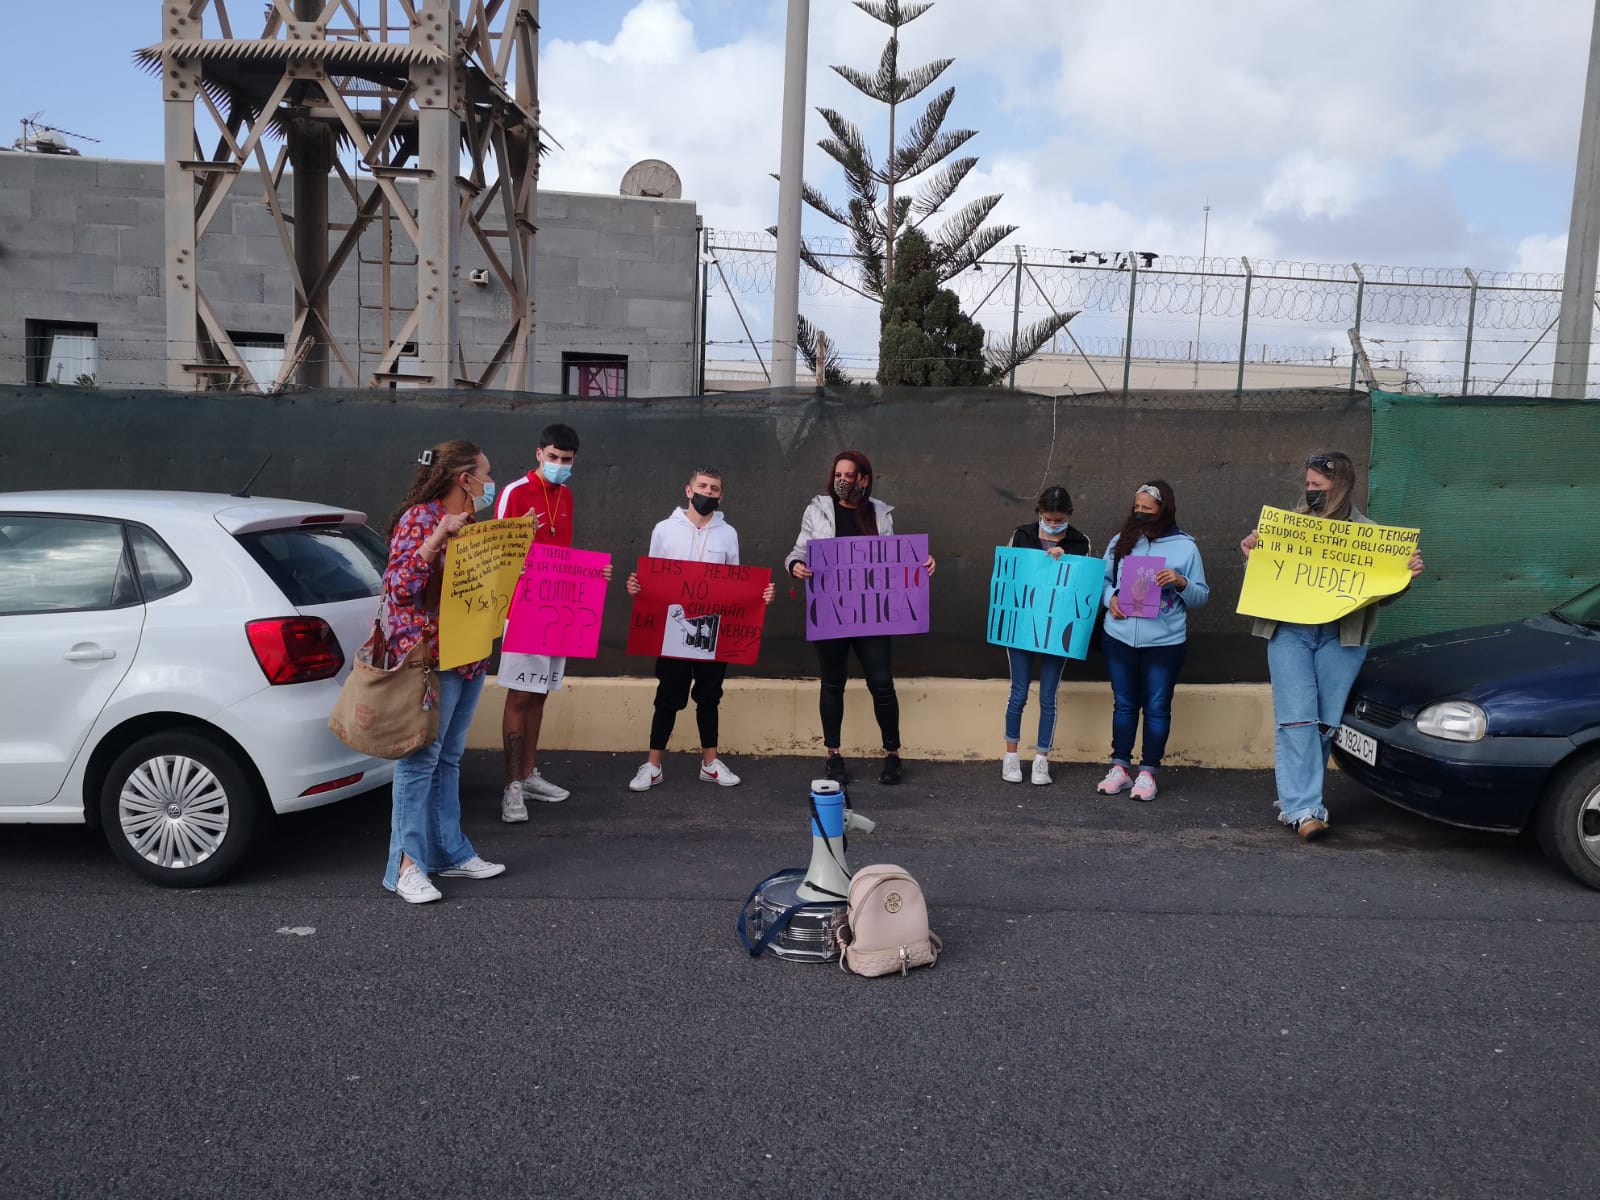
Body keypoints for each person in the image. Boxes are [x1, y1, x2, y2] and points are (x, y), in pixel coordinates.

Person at [1241, 451, 1424, 840]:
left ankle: (1304, 803)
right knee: (1296, 719)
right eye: (1307, 485)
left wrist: (1402, 577)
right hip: (1290, 632)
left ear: (1339, 486)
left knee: (1324, 723)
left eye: (1317, 486)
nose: (1310, 492)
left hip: (1342, 637)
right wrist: (1252, 557)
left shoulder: (1370, 536)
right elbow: (1265, 580)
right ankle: (1302, 808)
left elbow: (1379, 596)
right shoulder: (1287, 528)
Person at [379, 440, 506, 904]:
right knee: (419, 761)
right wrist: (436, 540)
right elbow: (397, 589)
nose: (490, 483)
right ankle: (407, 865)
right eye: (486, 474)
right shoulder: (421, 520)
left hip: (469, 655)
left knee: (448, 758)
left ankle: (450, 852)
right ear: (463, 479)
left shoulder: (475, 524)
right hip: (433, 658)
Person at [784, 450, 936, 786]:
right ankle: (833, 755)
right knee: (832, 683)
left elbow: (893, 557)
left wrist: (920, 563)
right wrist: (794, 566)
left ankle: (893, 754)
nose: (841, 480)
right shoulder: (818, 510)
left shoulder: (879, 514)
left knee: (881, 683)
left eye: (849, 475)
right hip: (831, 612)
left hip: (873, 615)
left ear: (863, 479)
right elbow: (798, 551)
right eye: (837, 474)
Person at [622, 467, 777, 792]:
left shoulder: (728, 534)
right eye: (703, 486)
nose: (708, 491)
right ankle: (652, 765)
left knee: (709, 696)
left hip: (713, 630)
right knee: (668, 696)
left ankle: (710, 763)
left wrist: (761, 595)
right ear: (689, 490)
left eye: (715, 488)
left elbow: (737, 581)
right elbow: (652, 576)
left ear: (721, 496)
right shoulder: (664, 529)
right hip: (674, 629)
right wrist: (637, 587)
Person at [493, 423, 605, 822]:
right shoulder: (513, 492)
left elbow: (565, 556)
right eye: (554, 457)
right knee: (519, 695)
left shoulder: (567, 495)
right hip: (524, 608)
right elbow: (501, 553)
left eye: (567, 460)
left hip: (558, 610)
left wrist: (593, 578)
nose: (560, 465)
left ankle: (527, 773)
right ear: (539, 453)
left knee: (540, 694)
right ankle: (510, 787)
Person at [1095, 480, 1209, 803]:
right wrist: (1110, 599)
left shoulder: (1185, 547)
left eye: (1148, 508)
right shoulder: (1121, 541)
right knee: (1124, 704)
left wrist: (1181, 580)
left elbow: (1201, 596)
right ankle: (1120, 767)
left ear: (1164, 509)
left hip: (1165, 643)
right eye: (1137, 507)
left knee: (1157, 707)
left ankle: (1148, 772)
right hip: (1119, 638)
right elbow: (1102, 580)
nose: (1141, 513)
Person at [1001, 486, 1092, 786]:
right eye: (1047, 518)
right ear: (1039, 514)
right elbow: (1010, 576)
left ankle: (1042, 759)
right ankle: (1011, 756)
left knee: (1049, 696)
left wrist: (1064, 562)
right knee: (1019, 692)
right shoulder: (1021, 536)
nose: (1052, 524)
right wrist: (1043, 561)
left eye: (1058, 519)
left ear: (1069, 515)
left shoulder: (1080, 542)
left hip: (1058, 627)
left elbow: (1084, 586)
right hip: (1023, 624)